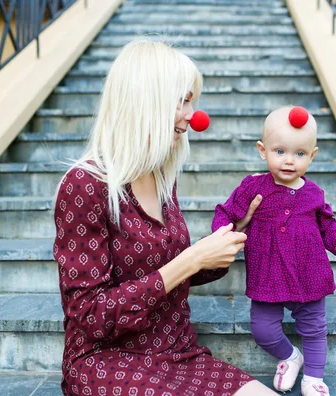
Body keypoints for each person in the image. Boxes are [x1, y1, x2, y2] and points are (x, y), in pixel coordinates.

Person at [52, 39, 277, 396]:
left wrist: (230, 238)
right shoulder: (85, 184)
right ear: (148, 100)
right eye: (183, 100)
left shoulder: (161, 179)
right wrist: (190, 260)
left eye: (193, 101)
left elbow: (165, 269)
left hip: (178, 352)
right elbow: (90, 315)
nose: (192, 115)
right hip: (107, 360)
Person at [211, 106, 336, 396]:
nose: (289, 161)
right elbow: (226, 212)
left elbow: (328, 225)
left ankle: (314, 378)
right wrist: (221, 233)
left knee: (314, 328)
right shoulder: (253, 186)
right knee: (263, 329)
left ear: (312, 156)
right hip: (268, 273)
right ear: (262, 150)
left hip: (308, 272)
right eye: (280, 151)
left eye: (300, 154)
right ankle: (290, 356)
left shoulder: (314, 193)